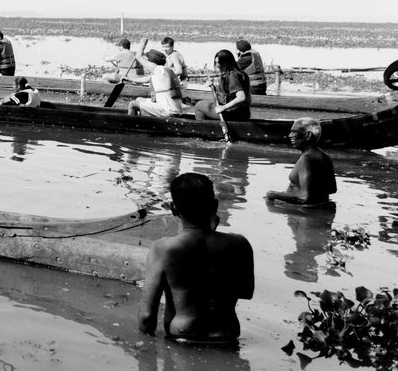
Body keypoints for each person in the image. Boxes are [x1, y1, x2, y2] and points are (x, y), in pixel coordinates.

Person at [139, 172, 254, 343]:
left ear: (173, 209)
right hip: (227, 338)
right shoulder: (239, 244)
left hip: (183, 340)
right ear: (214, 206)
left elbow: (147, 317)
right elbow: (246, 292)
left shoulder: (162, 249)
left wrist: (146, 350)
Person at [266, 117, 337, 205]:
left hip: (303, 214)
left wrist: (272, 194)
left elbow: (305, 199)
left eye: (294, 132)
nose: (290, 135)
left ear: (308, 135)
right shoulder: (325, 157)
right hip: (319, 212)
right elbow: (332, 189)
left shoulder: (306, 159)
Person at [126, 40, 183, 117]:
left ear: (152, 62)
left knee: (132, 104)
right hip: (173, 108)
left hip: (168, 110)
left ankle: (130, 125)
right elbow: (146, 79)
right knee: (139, 99)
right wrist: (129, 79)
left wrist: (143, 43)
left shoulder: (158, 69)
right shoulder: (165, 70)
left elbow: (138, 56)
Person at [194, 50, 251, 121]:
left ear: (226, 63)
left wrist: (224, 107)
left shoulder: (232, 76)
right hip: (241, 112)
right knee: (204, 104)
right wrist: (214, 86)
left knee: (199, 106)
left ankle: (203, 128)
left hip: (234, 113)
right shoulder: (236, 73)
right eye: (215, 62)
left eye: (219, 62)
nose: (217, 65)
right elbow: (226, 92)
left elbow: (241, 97)